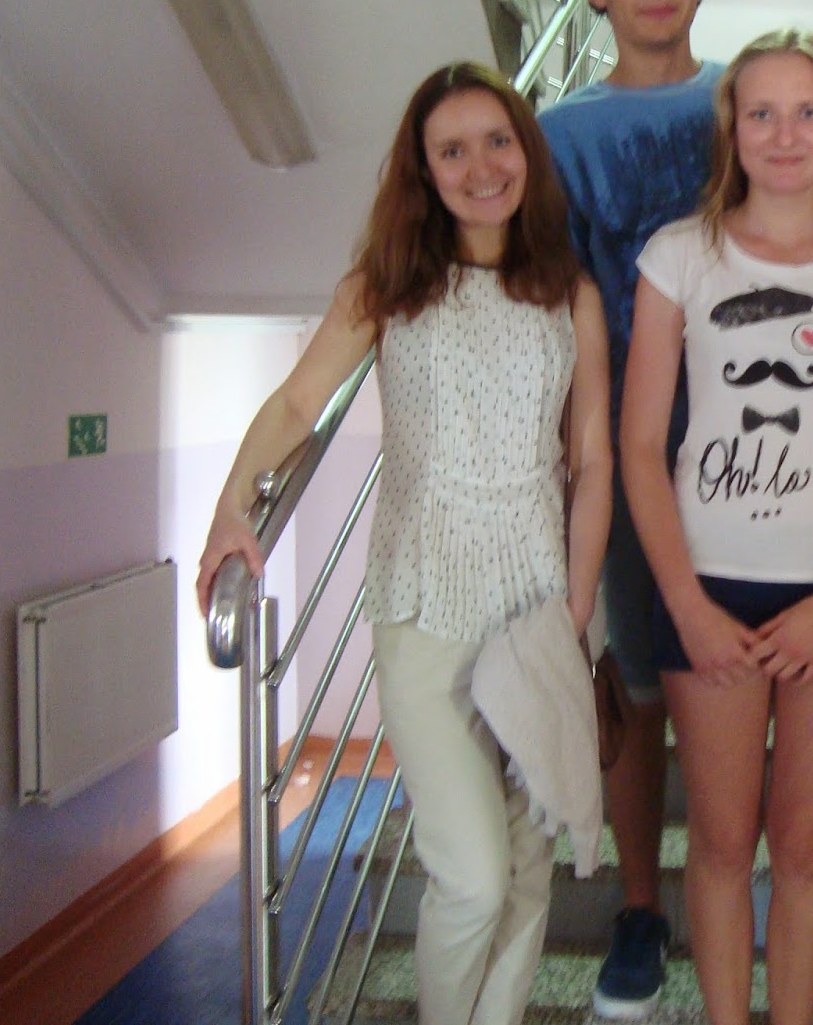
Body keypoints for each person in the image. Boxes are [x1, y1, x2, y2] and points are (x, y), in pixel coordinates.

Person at [194, 62, 611, 1025]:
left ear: (526, 153)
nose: (481, 167)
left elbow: (592, 462)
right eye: (452, 150)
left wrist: (577, 605)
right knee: (470, 875)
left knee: (528, 867)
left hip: (540, 604)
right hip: (421, 607)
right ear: (423, 170)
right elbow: (297, 404)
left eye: (497, 142)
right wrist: (229, 510)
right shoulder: (386, 286)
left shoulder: (569, 293)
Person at [619, 29, 813, 1025]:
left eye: (806, 112)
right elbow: (640, 448)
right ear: (732, 128)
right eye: (761, 113)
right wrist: (685, 604)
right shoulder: (678, 256)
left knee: (803, 848)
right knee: (719, 844)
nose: (785, 134)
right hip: (706, 587)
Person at [535, 0, 723, 1019]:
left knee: (757, 684)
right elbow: (543, 302)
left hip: (768, 456)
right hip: (623, 449)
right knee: (642, 686)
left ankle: (785, 895)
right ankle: (643, 907)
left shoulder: (757, 103)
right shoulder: (555, 136)